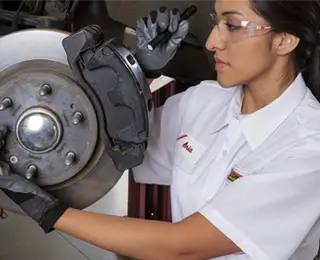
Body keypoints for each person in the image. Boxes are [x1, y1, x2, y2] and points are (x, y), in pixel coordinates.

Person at [0, 0, 320, 259]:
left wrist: (47, 211)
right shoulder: (208, 100)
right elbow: (113, 146)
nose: (211, 42)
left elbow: (182, 246)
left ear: (283, 40)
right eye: (216, 22)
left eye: (233, 26)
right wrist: (138, 76)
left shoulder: (309, 148)